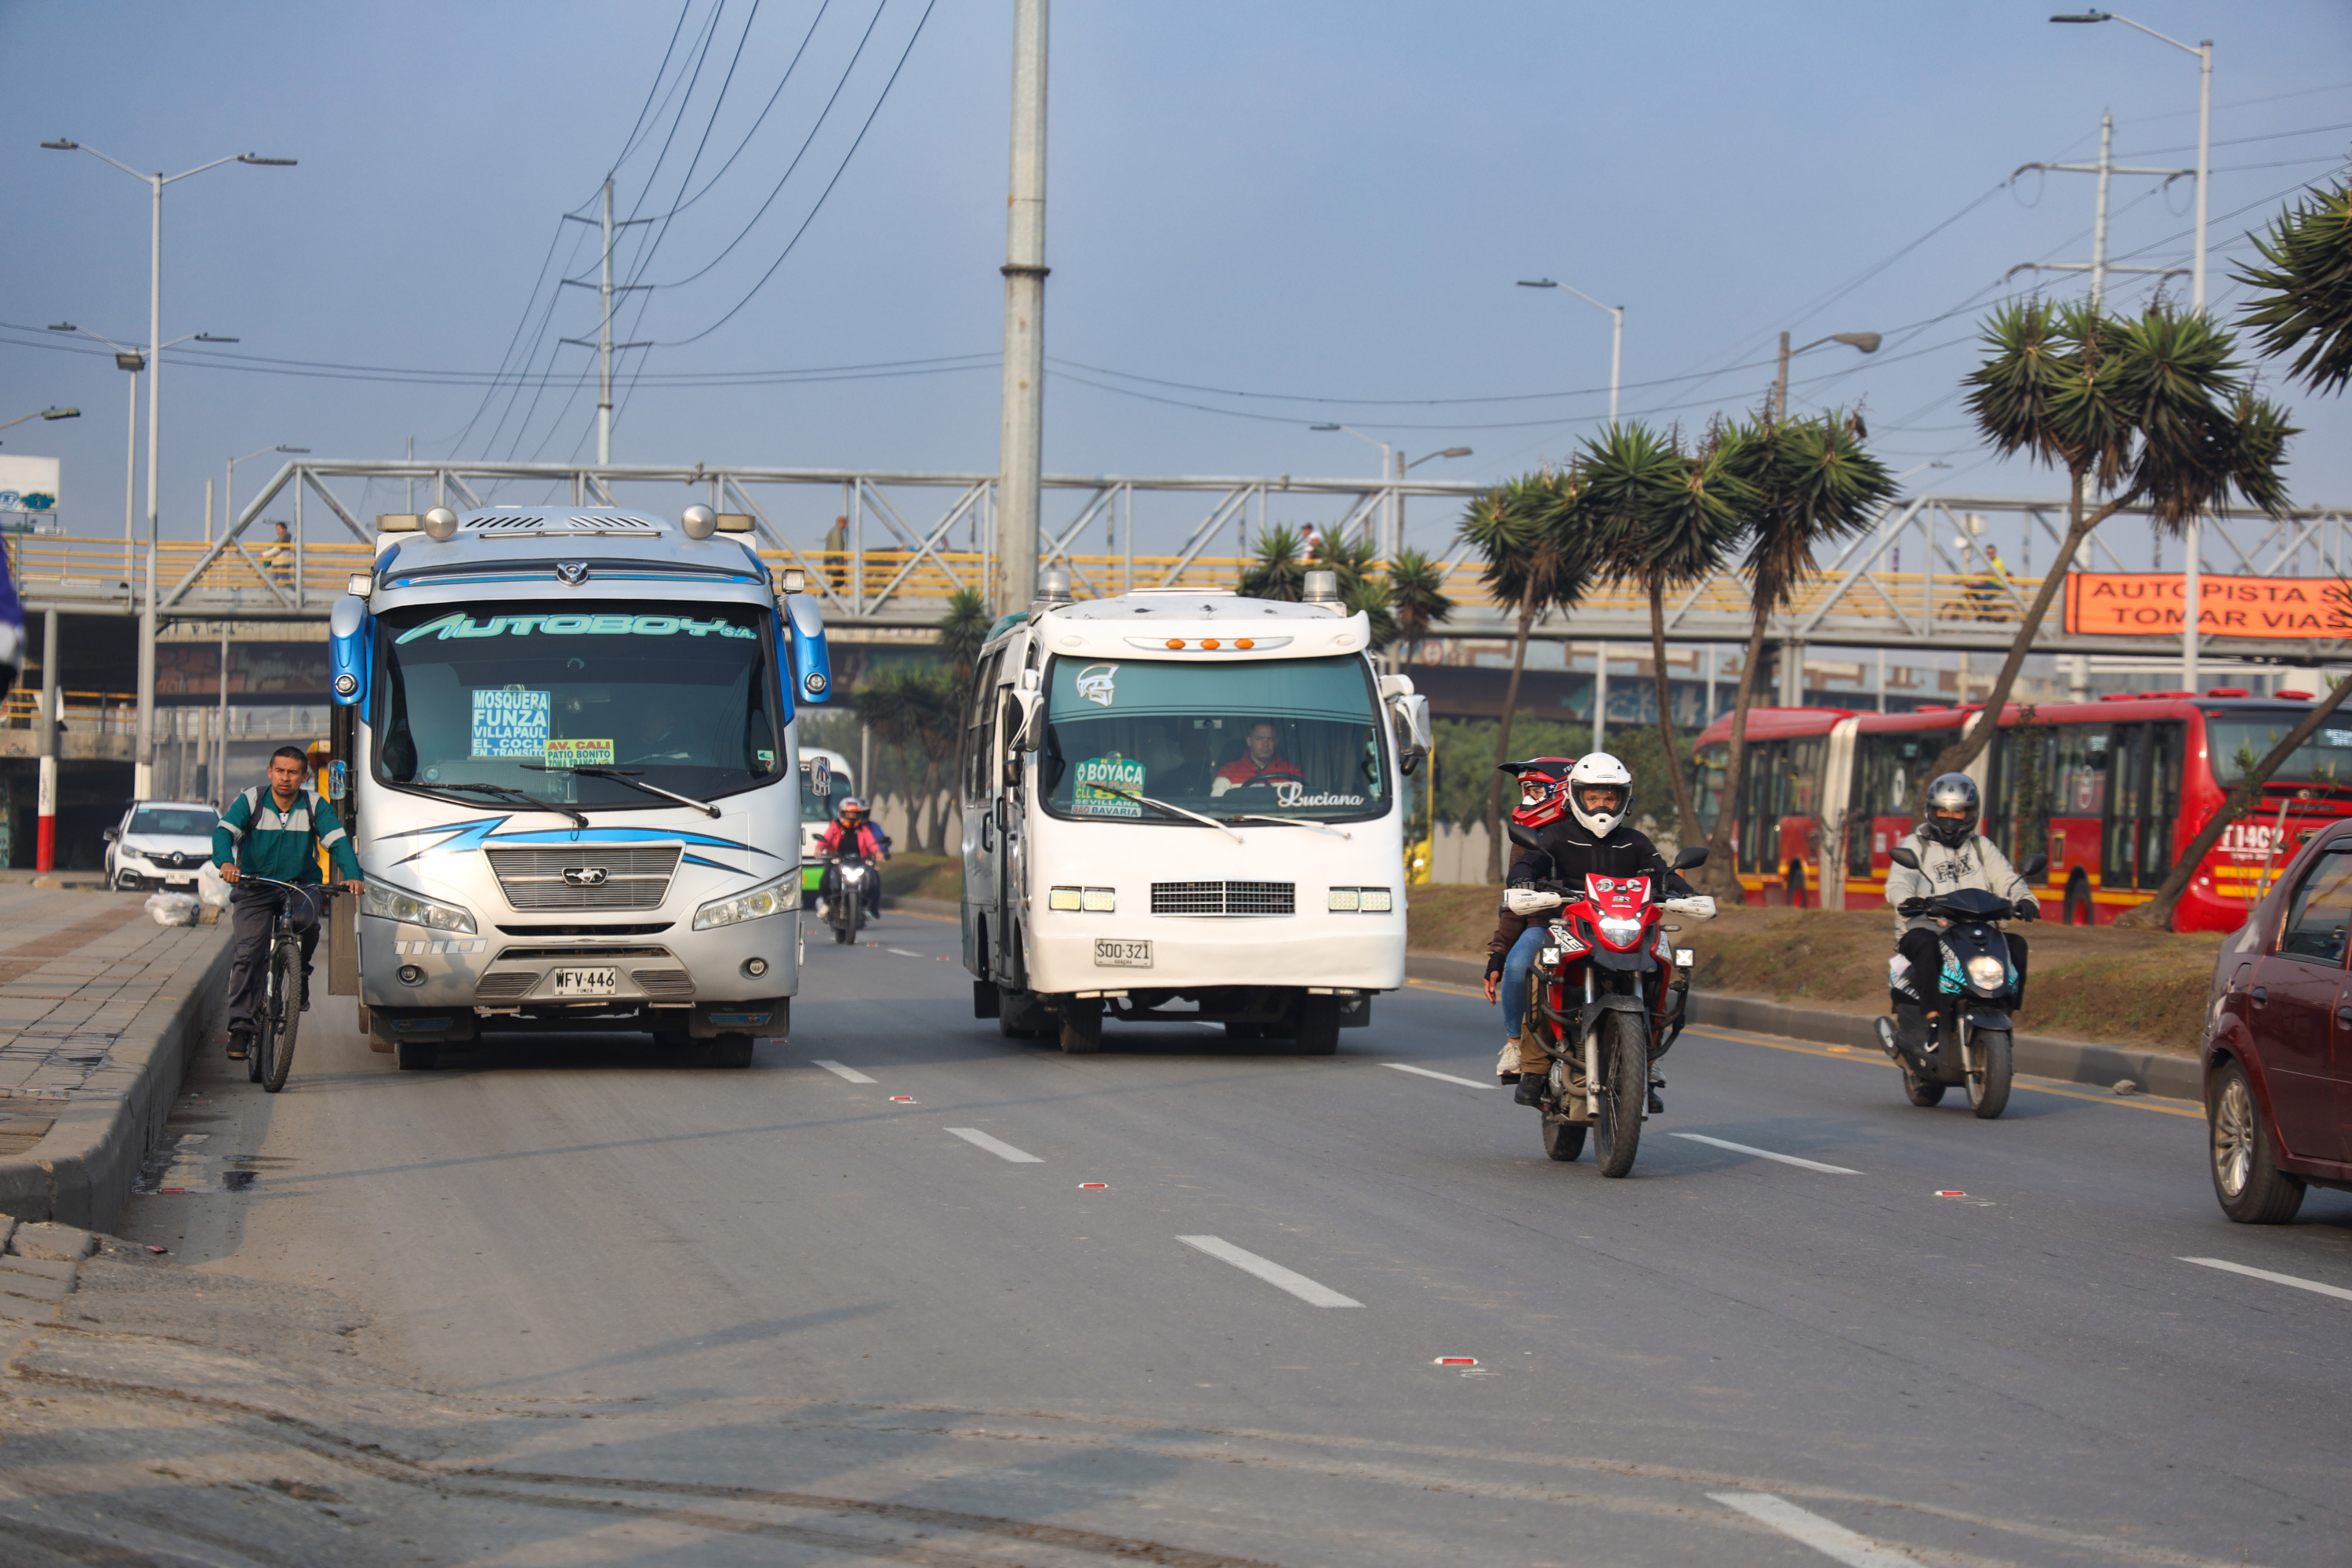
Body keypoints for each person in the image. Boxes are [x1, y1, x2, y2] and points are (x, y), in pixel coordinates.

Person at [1482, 753, 1703, 1108]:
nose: (1602, 804)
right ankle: (1534, 1067)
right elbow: (1530, 862)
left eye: (1610, 797)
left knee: (1661, 960)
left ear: (1623, 800)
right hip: (1565, 927)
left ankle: (1646, 1059)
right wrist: (1523, 878)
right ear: (1577, 796)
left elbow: (1662, 873)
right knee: (1535, 970)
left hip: (1622, 929)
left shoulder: (1635, 841)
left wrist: (1686, 893)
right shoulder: (1553, 836)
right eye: (1594, 796)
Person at [214, 745, 364, 1060]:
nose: (285, 778)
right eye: (280, 771)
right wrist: (226, 864)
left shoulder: (314, 805)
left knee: (308, 921)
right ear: (270, 773)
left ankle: (301, 974)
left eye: (293, 772)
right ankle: (240, 1028)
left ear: (304, 777)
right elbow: (224, 833)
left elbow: (337, 840)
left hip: (299, 884)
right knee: (248, 952)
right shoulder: (251, 800)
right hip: (254, 885)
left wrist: (352, 874)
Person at [1882, 772, 2037, 1062]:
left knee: (2016, 945)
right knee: (1927, 945)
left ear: (1971, 813)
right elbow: (1898, 881)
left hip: (1973, 929)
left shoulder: (1982, 847)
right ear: (1932, 811)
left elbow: (2006, 878)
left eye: (1958, 811)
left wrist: (2025, 900)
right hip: (1925, 926)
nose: (1950, 817)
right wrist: (1908, 901)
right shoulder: (1917, 845)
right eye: (1943, 810)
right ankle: (1932, 1021)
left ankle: (2004, 1013)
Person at [814, 797, 889, 919]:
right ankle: (827, 904)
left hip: (859, 861)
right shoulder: (835, 825)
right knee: (826, 877)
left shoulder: (864, 829)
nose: (851, 817)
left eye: (854, 815)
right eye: (848, 814)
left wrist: (878, 852)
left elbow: (871, 843)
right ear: (842, 814)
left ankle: (868, 906)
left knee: (873, 879)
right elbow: (826, 839)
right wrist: (819, 849)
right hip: (838, 859)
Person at [1210, 720, 1304, 797]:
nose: (1266, 744)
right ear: (1249, 741)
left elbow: (1302, 804)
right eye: (1260, 739)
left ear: (1277, 742)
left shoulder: (1292, 772)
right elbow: (1218, 805)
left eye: (1270, 739)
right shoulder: (1227, 772)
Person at [259, 521, 295, 590]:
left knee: (285, 580)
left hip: (282, 563)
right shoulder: (281, 538)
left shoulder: (285, 536)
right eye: (277, 530)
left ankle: (298, 593)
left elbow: (277, 549)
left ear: (285, 529)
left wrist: (264, 554)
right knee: (272, 582)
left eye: (279, 529)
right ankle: (268, 596)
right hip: (277, 563)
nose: (278, 531)